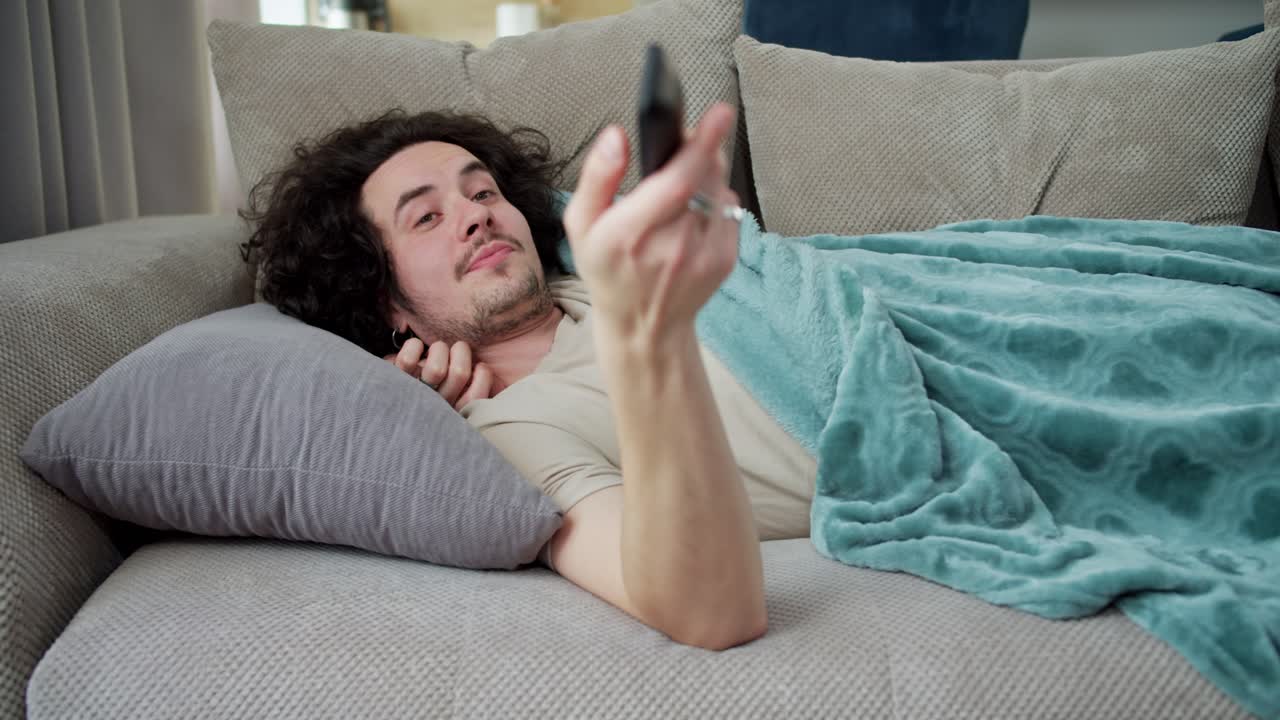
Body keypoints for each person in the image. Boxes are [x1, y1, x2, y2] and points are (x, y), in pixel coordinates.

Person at [240, 104, 816, 651]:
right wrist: (651, 341)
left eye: (484, 191)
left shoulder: (600, 269)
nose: (476, 215)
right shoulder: (511, 427)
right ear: (381, 296)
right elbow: (709, 609)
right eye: (427, 217)